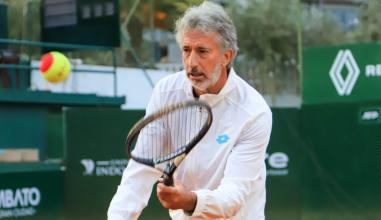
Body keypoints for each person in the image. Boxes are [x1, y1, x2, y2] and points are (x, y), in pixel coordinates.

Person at [107, 1, 272, 219]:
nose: (191, 62)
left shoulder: (254, 111)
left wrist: (191, 200)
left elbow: (233, 196)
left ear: (227, 56)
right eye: (186, 50)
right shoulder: (166, 92)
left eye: (202, 51)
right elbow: (139, 172)